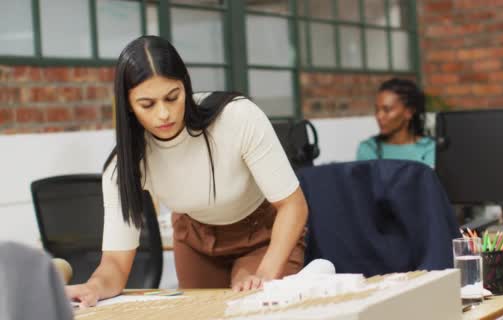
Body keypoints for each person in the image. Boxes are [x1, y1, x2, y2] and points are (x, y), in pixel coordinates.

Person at [66, 36, 308, 307]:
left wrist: (265, 274)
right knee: (199, 311)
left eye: (173, 97)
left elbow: (293, 205)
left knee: (254, 304)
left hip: (262, 233)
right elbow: (115, 264)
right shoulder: (123, 168)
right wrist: (94, 287)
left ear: (186, 84)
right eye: (147, 104)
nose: (164, 114)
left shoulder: (237, 118)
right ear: (129, 106)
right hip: (195, 239)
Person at [356, 78, 435, 167]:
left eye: (387, 110)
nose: (379, 116)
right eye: (377, 109)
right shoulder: (369, 148)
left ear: (409, 112)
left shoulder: (430, 148)